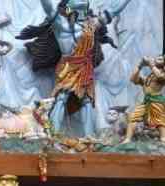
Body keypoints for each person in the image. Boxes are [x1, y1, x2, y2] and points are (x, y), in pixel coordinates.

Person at [18, 0, 133, 137]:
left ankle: (89, 139)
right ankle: (53, 137)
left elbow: (113, 10)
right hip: (67, 66)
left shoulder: (91, 25)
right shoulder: (61, 24)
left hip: (85, 67)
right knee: (61, 98)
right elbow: (48, 7)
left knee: (86, 100)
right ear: (69, 8)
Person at [122, 56, 165, 144]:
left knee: (159, 120)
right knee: (133, 117)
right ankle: (128, 139)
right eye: (156, 57)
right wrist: (139, 66)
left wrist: (151, 64)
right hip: (146, 101)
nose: (157, 59)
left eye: (160, 59)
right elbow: (133, 79)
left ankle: (163, 138)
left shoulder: (162, 74)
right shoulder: (150, 76)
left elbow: (160, 77)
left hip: (157, 100)